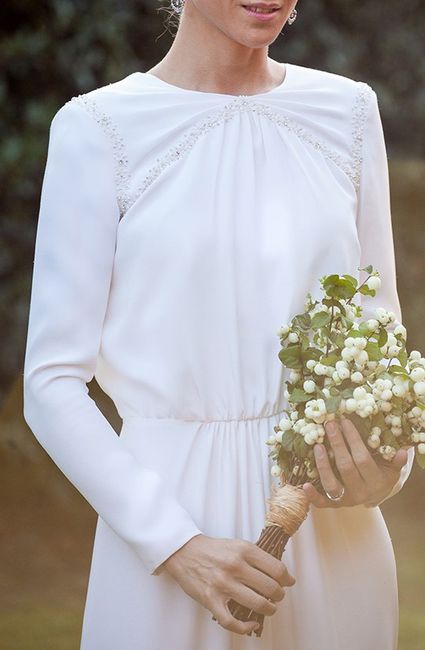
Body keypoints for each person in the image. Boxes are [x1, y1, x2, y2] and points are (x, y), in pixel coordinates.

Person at [22, 1, 415, 648]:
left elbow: (380, 345)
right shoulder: (98, 129)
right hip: (167, 529)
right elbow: (52, 383)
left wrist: (380, 470)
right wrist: (175, 544)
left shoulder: (347, 111)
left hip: (333, 534)